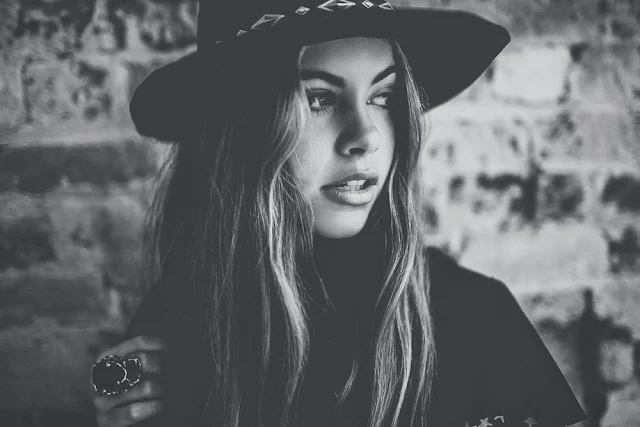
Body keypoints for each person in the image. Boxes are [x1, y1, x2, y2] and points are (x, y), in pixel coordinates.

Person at [90, 1, 589, 426]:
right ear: (241, 127)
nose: (366, 136)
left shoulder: (477, 321)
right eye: (320, 99)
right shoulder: (180, 319)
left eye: (383, 96)